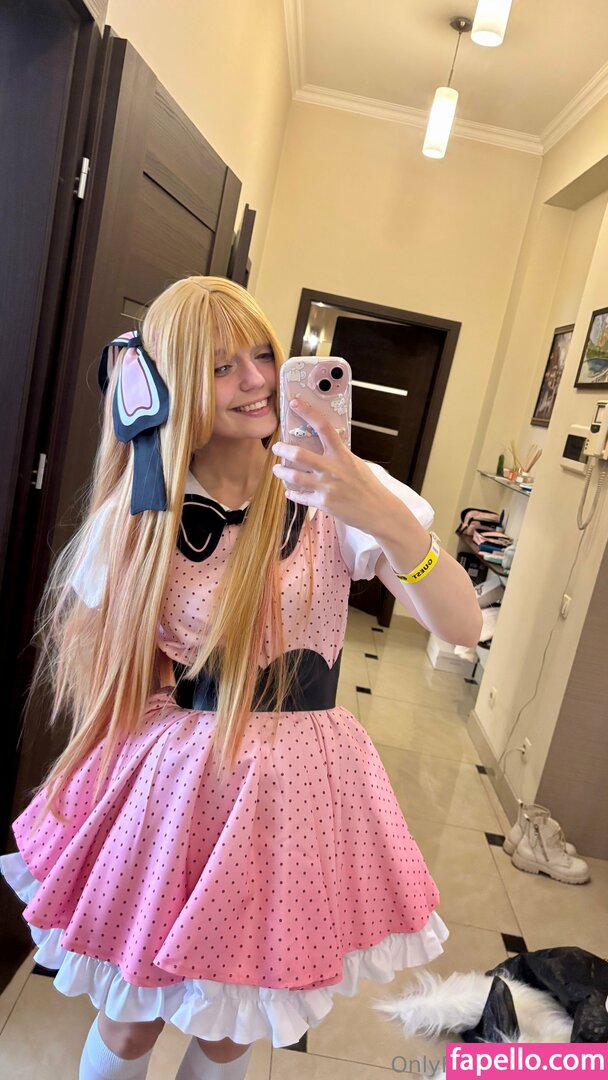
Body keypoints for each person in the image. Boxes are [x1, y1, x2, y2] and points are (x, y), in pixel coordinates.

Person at [0, 276, 482, 1079]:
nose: (256, 380)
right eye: (222, 365)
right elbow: (108, 665)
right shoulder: (140, 510)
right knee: (129, 1020)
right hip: (176, 789)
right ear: (174, 381)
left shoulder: (343, 489)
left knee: (230, 1032)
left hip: (295, 794)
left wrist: (386, 518)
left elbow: (462, 627)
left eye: (262, 354)